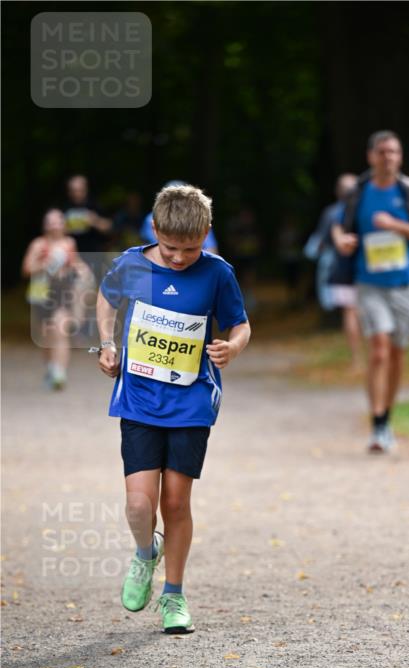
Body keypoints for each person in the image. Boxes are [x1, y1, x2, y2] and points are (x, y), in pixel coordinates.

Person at [96, 184, 250, 634]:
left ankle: (174, 597)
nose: (181, 258)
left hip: (191, 401)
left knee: (176, 502)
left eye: (191, 248)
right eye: (171, 248)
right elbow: (107, 299)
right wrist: (108, 344)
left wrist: (233, 348)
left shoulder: (217, 273)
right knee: (139, 506)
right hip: (140, 399)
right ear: (155, 228)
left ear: (206, 234)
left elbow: (240, 324)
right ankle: (146, 553)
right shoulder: (133, 264)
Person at [332, 131, 409, 452]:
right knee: (378, 347)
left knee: (396, 353)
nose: (388, 157)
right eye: (382, 152)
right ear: (370, 156)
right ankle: (377, 424)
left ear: (400, 157)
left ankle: (386, 418)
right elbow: (340, 225)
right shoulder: (358, 193)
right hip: (369, 283)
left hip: (405, 285)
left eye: (393, 152)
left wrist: (396, 226)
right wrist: (341, 240)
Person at [22, 208, 92, 389]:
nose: (54, 225)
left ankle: (60, 373)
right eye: (50, 221)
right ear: (45, 225)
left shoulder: (69, 242)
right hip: (41, 293)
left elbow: (76, 263)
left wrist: (84, 272)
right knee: (45, 336)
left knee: (60, 330)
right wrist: (44, 264)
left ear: (64, 224)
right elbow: (27, 269)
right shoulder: (38, 244)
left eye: (58, 221)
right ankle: (51, 367)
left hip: (61, 292)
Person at [304, 174, 363, 371]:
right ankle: (367, 358)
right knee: (362, 312)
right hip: (364, 268)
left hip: (342, 269)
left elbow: (316, 245)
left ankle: (358, 359)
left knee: (351, 312)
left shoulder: (331, 213)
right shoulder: (365, 209)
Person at [139, 180, 219, 252]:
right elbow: (145, 245)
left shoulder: (199, 219)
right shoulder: (151, 218)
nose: (178, 205)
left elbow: (211, 249)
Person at [63, 174, 112, 255]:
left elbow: (109, 228)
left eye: (79, 190)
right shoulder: (64, 207)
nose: (76, 193)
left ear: (86, 189)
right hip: (70, 254)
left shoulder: (94, 205)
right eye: (73, 190)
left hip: (93, 253)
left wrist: (95, 221)